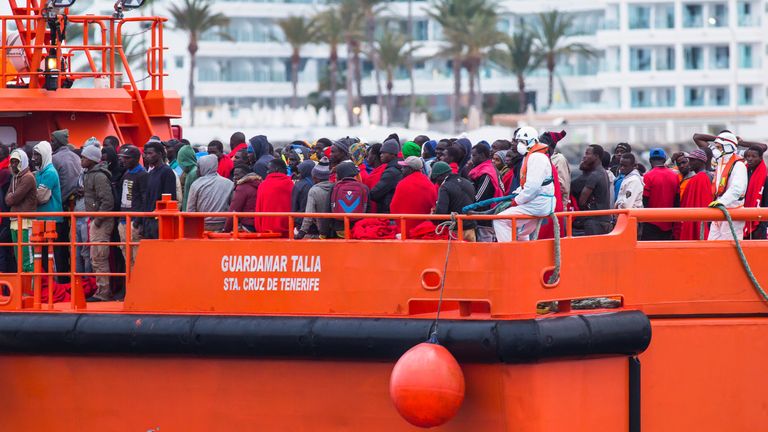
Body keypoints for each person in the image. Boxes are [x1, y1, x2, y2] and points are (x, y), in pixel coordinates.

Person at [493, 127, 556, 242]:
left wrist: (516, 201)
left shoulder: (537, 158)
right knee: (522, 232)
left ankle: (507, 253)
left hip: (538, 204)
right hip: (539, 202)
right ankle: (524, 255)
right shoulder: (532, 156)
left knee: (500, 220)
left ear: (531, 142)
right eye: (519, 142)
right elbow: (527, 183)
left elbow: (532, 188)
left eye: (522, 142)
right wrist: (517, 193)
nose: (518, 145)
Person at [81, 145, 115, 301]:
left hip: (101, 221)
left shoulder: (98, 176)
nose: (81, 159)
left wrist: (97, 220)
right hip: (97, 219)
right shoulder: (91, 174)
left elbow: (107, 201)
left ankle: (103, 292)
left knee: (99, 256)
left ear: (92, 159)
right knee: (96, 256)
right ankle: (101, 290)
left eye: (84, 157)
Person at [50, 129, 79, 282]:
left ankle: (61, 279)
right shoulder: (75, 156)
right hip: (75, 206)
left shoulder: (55, 159)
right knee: (74, 246)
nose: (51, 143)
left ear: (59, 142)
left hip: (61, 208)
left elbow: (58, 186)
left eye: (53, 141)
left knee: (59, 245)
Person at [32, 141, 65, 280]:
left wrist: (26, 196)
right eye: (33, 154)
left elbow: (40, 197)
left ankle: (56, 284)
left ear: (44, 155)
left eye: (37, 155)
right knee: (43, 255)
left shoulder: (50, 173)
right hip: (42, 220)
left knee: (53, 256)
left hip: (52, 220)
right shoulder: (39, 173)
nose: (34, 158)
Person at [5, 149, 36, 272]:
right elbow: (7, 199)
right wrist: (11, 197)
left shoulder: (28, 177)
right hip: (15, 222)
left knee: (27, 259)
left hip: (26, 223)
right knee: (19, 259)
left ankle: (33, 290)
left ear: (22, 161)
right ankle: (23, 289)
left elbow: (13, 199)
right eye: (11, 162)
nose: (13, 164)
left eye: (16, 161)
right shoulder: (15, 178)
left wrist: (11, 197)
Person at [186, 154, 234, 232]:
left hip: (203, 226)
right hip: (224, 227)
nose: (197, 171)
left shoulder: (196, 184)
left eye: (198, 167)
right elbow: (233, 206)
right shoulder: (229, 183)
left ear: (204, 167)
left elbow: (190, 210)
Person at [571, 145, 612, 235]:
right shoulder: (603, 172)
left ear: (596, 156)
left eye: (587, 154)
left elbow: (582, 202)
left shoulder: (594, 175)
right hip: (605, 220)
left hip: (594, 221)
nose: (584, 156)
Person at [117, 145, 147, 267]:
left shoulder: (142, 175)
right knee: (126, 256)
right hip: (123, 220)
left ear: (135, 158)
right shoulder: (127, 173)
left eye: (127, 158)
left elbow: (145, 198)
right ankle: (129, 283)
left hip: (134, 221)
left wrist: (138, 221)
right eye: (123, 158)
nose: (123, 160)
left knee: (137, 257)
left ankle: (137, 284)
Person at [430, 161, 476, 241]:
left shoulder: (445, 187)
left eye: (436, 179)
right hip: (471, 229)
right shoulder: (468, 183)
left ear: (440, 176)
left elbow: (441, 213)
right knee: (470, 253)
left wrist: (433, 216)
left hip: (455, 231)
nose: (437, 182)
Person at [390, 156, 437, 234]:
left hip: (404, 228)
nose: (401, 169)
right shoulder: (429, 184)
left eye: (404, 167)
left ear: (411, 169)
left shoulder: (402, 183)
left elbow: (394, 207)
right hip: (424, 229)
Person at [469, 144, 505, 241]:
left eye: (474, 155)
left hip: (485, 217)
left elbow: (479, 197)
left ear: (482, 156)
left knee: (485, 246)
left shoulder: (487, 173)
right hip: (482, 215)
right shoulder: (482, 170)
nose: (472, 158)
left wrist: (467, 206)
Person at [641, 148, 679, 240]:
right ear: (664, 159)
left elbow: (645, 200)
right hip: (669, 222)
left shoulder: (647, 176)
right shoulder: (675, 176)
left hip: (651, 222)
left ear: (650, 161)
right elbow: (677, 200)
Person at [674, 149, 713, 240]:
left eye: (692, 160)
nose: (689, 163)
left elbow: (703, 203)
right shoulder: (702, 177)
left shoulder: (701, 178)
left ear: (700, 161)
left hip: (698, 223)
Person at [142, 140, 177, 239]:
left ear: (160, 154)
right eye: (146, 153)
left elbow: (170, 198)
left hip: (159, 221)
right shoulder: (151, 173)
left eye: (150, 153)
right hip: (149, 220)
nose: (147, 156)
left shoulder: (167, 172)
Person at [254, 159, 293, 236]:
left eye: (269, 169)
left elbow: (259, 208)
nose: (267, 172)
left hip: (265, 231)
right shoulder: (290, 184)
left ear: (276, 169)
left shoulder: (263, 185)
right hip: (287, 232)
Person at [330, 161, 370, 237]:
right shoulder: (364, 188)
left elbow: (328, 208)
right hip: (358, 228)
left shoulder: (335, 187)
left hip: (339, 228)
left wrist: (325, 232)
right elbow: (368, 208)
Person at [297, 157, 333, 239]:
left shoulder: (314, 191)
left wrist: (302, 232)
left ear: (315, 177)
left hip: (321, 231)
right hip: (334, 231)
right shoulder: (334, 187)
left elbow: (309, 216)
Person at [225, 165, 261, 233]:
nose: (234, 178)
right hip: (259, 224)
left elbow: (234, 210)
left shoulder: (242, 188)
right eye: (233, 175)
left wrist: (226, 229)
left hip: (247, 225)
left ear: (245, 175)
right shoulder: (260, 185)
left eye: (237, 175)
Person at [370, 139, 402, 214]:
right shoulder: (398, 167)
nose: (381, 155)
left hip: (387, 212)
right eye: (381, 153)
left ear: (393, 154)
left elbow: (375, 193)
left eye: (384, 152)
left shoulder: (391, 172)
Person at [540, 131, 570, 209]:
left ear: (549, 146)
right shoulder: (540, 157)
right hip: (544, 205)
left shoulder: (559, 159)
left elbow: (562, 187)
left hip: (558, 204)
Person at [743, 145, 768, 239]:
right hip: (743, 216)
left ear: (761, 158)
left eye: (754, 157)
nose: (750, 159)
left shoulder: (765, 176)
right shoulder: (743, 172)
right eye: (748, 156)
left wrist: (764, 224)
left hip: (760, 220)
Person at [291, 160, 315, 227]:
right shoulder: (318, 182)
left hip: (301, 222)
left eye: (300, 172)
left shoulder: (299, 185)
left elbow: (294, 206)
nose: (298, 174)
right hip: (316, 221)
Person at [177, 144, 199, 211]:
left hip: (190, 214)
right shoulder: (193, 171)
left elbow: (189, 198)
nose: (181, 166)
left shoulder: (192, 174)